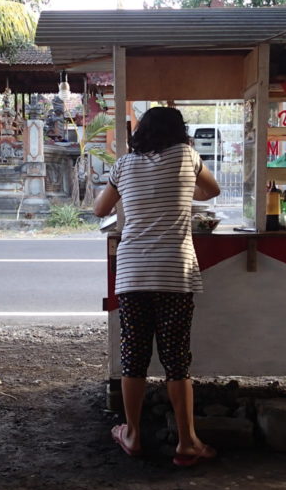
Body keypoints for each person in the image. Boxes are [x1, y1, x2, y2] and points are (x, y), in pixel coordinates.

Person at [93, 106, 221, 467]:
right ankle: (187, 442)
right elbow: (211, 191)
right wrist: (180, 191)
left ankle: (132, 435)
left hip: (133, 272)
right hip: (174, 274)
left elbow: (100, 210)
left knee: (133, 356)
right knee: (176, 360)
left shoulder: (123, 165)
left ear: (141, 132)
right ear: (179, 131)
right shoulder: (187, 156)